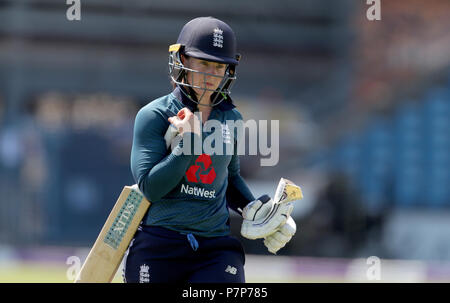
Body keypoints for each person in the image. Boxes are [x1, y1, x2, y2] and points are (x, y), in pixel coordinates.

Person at [124, 16, 297, 283]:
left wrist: (256, 211)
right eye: (203, 63)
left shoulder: (232, 119)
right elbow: (150, 187)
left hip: (214, 248)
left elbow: (230, 178)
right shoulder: (154, 114)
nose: (211, 75)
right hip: (159, 243)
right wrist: (189, 145)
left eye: (219, 66)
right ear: (182, 60)